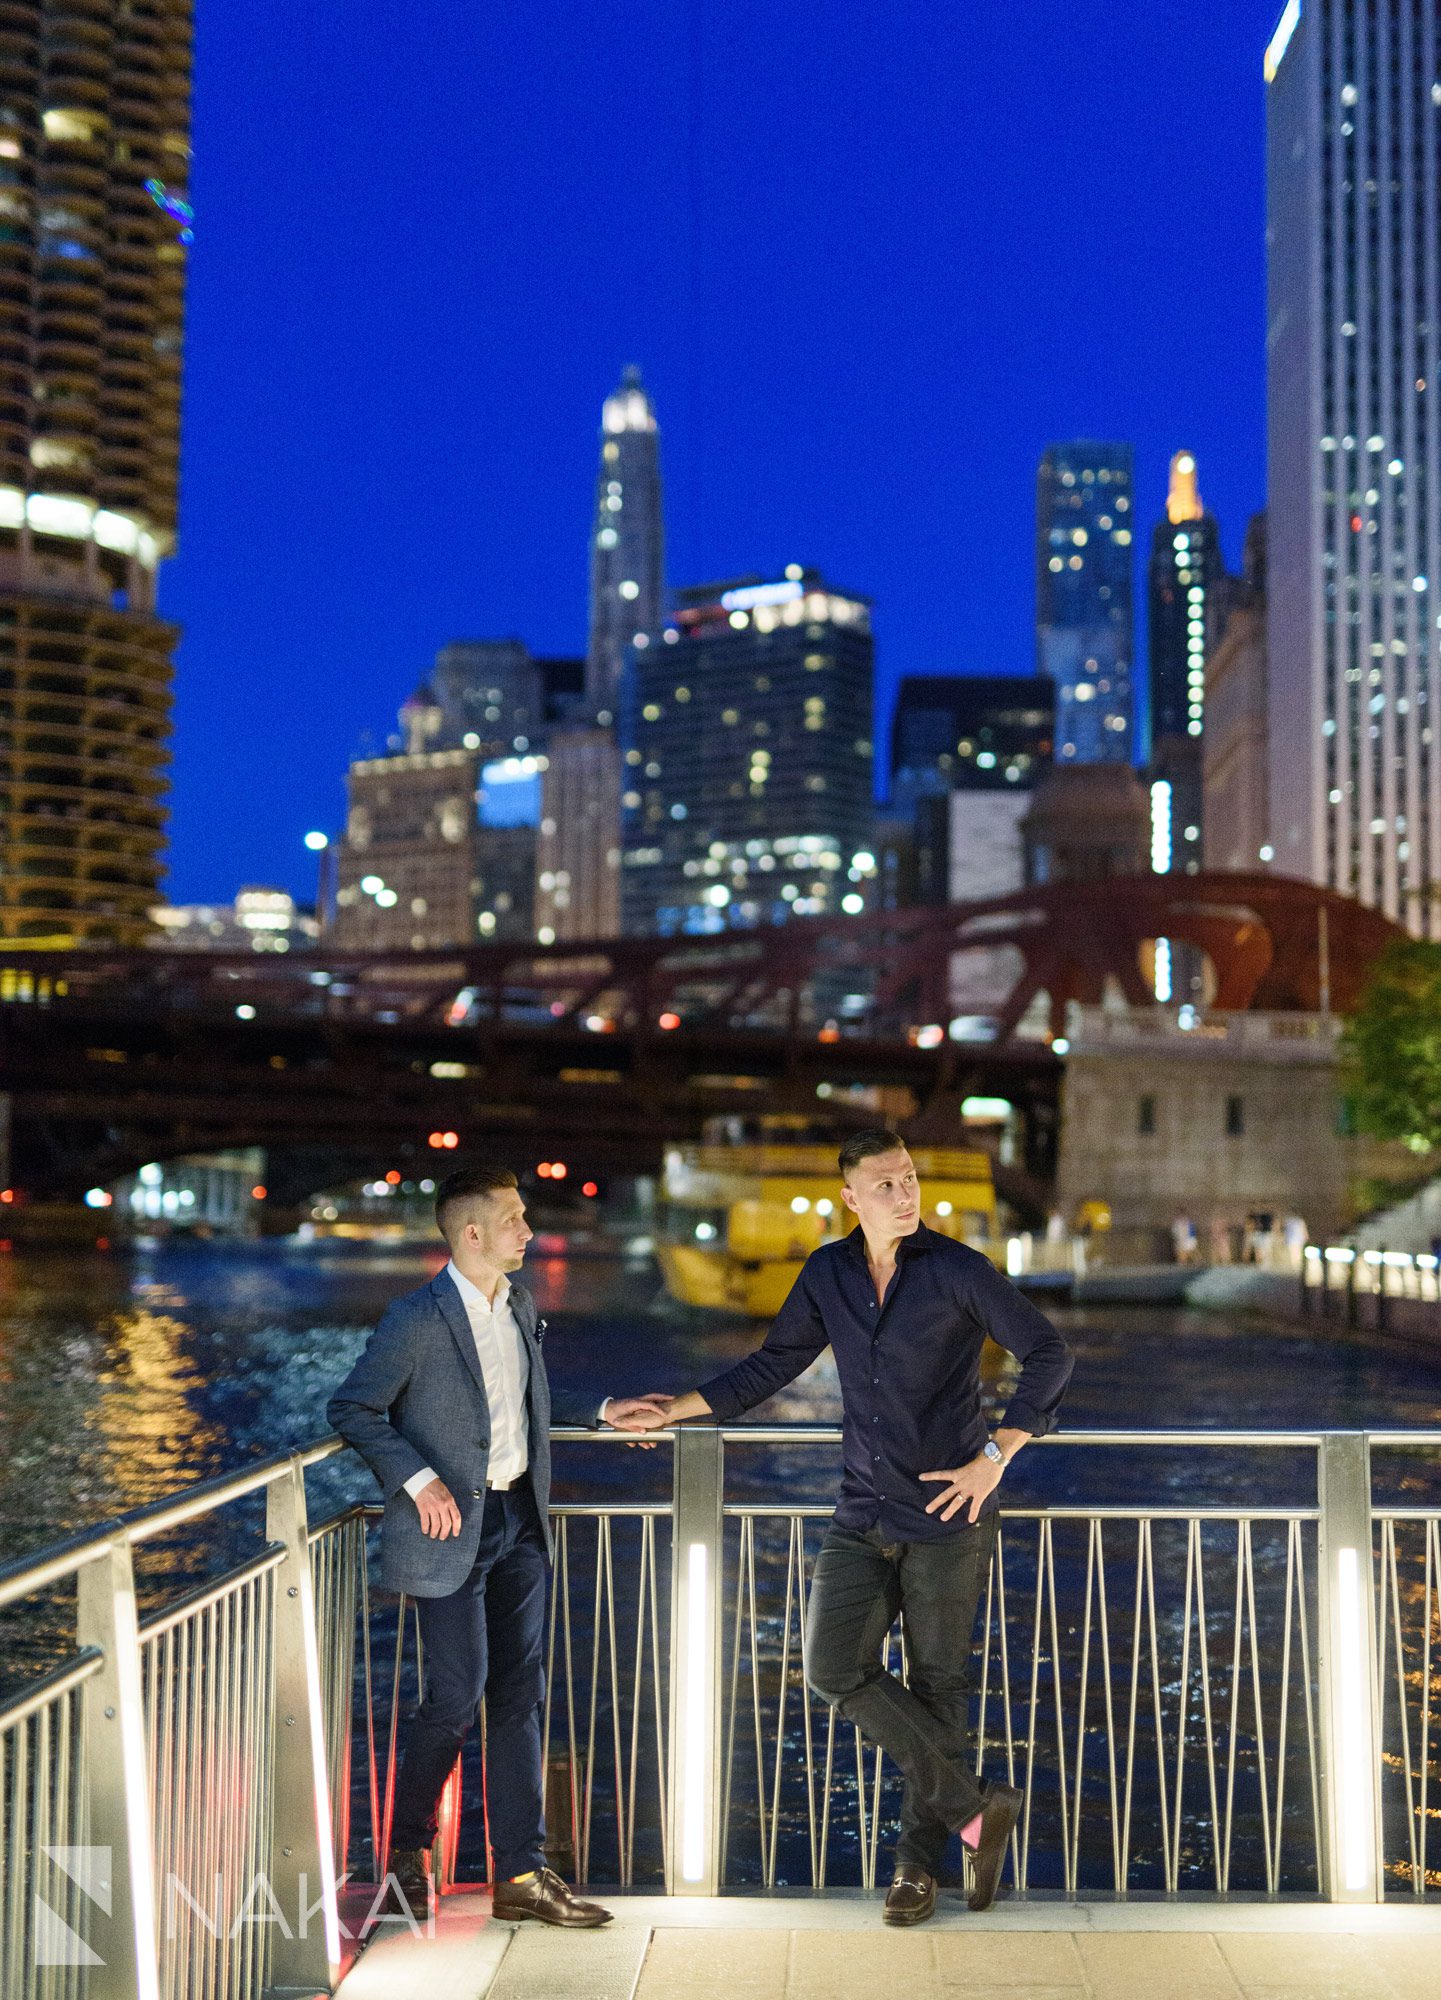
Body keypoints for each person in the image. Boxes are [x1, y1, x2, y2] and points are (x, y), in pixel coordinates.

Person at [626, 1129, 1073, 1924]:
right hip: (861, 1510)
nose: (906, 1195)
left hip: (948, 1510)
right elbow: (771, 1366)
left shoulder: (958, 1271)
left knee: (939, 1691)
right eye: (888, 1184)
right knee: (833, 1667)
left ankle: (914, 1871)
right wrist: (672, 1411)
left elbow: (1047, 1352)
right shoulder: (827, 1272)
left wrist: (996, 1455)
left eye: (910, 1179)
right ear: (851, 1198)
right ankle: (975, 1811)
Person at [326, 1164, 663, 1926]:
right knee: (456, 1694)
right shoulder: (415, 1318)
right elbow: (353, 1407)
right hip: (451, 1535)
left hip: (518, 1523)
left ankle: (521, 1875)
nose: (528, 1231)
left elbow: (529, 1402)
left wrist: (606, 1410)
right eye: (514, 1219)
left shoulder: (518, 1304)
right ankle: (407, 1854)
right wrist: (418, 1479)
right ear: (471, 1232)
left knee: (520, 1696)